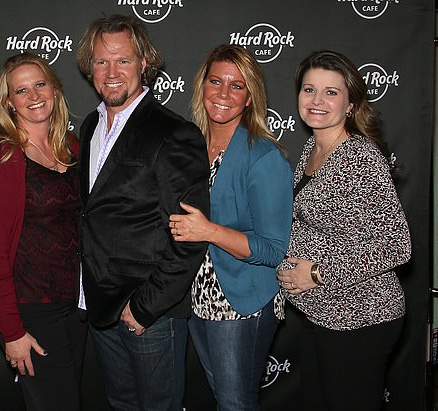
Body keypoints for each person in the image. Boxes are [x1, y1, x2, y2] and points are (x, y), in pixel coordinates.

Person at [75, 14, 209, 411]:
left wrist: (144, 307)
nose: (111, 72)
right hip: (100, 303)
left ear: (144, 64)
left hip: (149, 313)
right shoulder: (89, 126)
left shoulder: (174, 132)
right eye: (101, 61)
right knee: (121, 404)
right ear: (89, 67)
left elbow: (189, 235)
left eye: (123, 60)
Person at [276, 50, 411, 411]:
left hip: (361, 318)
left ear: (350, 103)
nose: (317, 100)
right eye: (309, 89)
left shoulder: (360, 157)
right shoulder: (311, 148)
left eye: (331, 92)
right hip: (322, 316)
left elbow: (396, 245)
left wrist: (318, 273)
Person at [168, 44, 293, 410]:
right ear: (201, 86)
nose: (223, 93)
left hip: (241, 303)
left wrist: (209, 231)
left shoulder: (263, 156)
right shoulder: (190, 145)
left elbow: (274, 249)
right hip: (195, 299)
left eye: (236, 86)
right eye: (216, 81)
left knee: (236, 405)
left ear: (250, 97)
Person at [0, 52, 85, 411]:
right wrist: (14, 331)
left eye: (40, 85)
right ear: (9, 102)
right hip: (33, 310)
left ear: (55, 89)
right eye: (21, 91)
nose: (34, 96)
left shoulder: (73, 147)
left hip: (78, 307)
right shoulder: (2, 157)